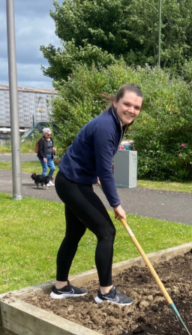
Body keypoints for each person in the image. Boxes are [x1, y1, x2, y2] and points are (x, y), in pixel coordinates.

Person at [50, 84, 144, 305]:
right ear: (116, 102)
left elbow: (97, 163)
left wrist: (97, 176)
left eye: (136, 107)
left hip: (74, 180)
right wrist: (116, 204)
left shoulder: (115, 123)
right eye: (127, 104)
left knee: (74, 234)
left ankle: (60, 287)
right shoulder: (106, 126)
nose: (131, 110)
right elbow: (105, 169)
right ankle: (106, 291)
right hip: (72, 183)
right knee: (107, 232)